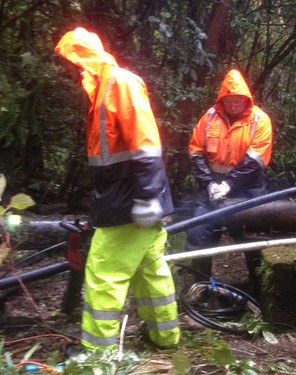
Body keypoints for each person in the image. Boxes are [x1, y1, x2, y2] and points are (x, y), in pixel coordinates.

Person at [54, 27, 179, 351]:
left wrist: (148, 196)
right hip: (128, 195)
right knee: (149, 271)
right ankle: (165, 337)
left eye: (72, 62)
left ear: (83, 58)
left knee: (103, 271)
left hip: (129, 198)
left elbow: (146, 144)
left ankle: (97, 353)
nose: (69, 70)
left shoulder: (120, 83)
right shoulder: (102, 90)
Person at [186, 69, 273, 280]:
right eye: (229, 101)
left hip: (248, 189)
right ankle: (201, 287)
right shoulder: (208, 118)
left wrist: (229, 184)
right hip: (211, 188)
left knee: (253, 238)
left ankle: (258, 285)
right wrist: (209, 184)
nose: (233, 105)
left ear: (246, 100)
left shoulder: (259, 120)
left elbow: (256, 160)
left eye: (237, 101)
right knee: (199, 234)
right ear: (222, 100)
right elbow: (196, 152)